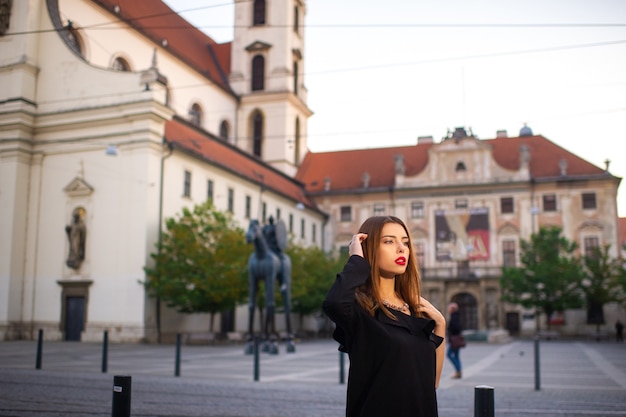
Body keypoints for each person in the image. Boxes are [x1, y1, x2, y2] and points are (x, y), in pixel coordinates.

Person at [323, 216, 446, 417]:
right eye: (389, 241)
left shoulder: (415, 309)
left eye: (405, 242)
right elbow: (334, 304)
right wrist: (356, 260)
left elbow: (431, 382)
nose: (401, 249)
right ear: (368, 248)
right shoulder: (360, 309)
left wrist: (440, 324)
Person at [446, 302, 463, 379]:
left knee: (449, 354)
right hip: (456, 339)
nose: (448, 310)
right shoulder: (457, 316)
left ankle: (458, 370)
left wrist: (450, 334)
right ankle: (458, 372)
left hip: (454, 339)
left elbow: (456, 328)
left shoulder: (454, 317)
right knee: (456, 356)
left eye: (449, 308)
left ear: (452, 309)